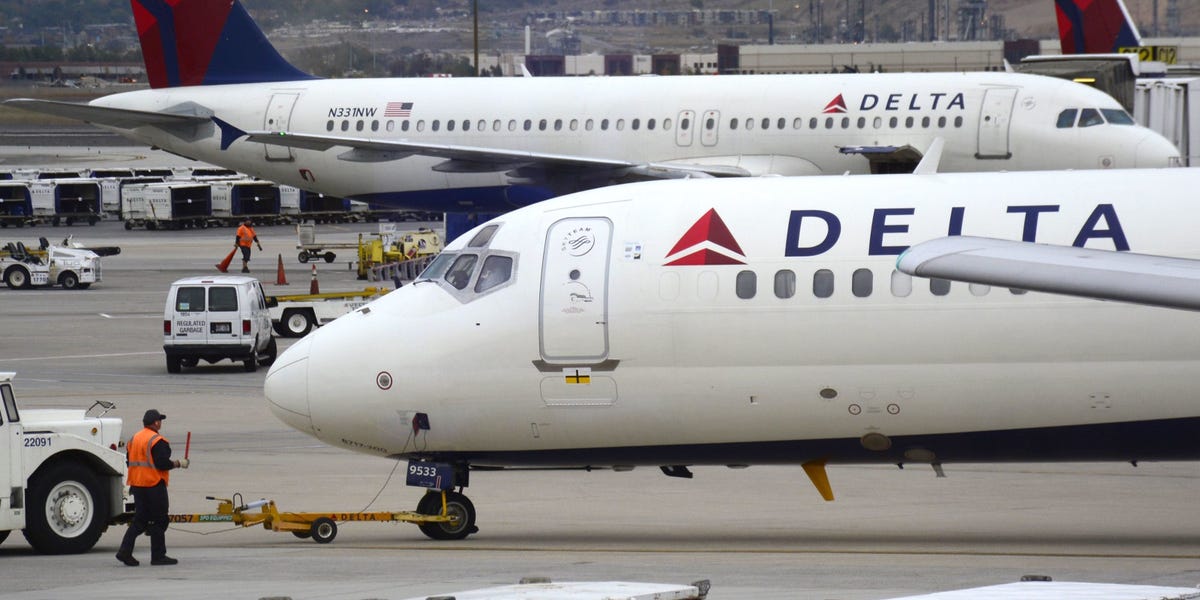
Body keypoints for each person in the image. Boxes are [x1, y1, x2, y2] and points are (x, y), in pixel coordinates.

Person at [116, 409, 189, 567]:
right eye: (160, 420)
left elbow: (130, 462)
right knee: (160, 519)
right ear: (156, 422)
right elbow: (162, 464)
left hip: (137, 485)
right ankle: (158, 556)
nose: (160, 423)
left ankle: (125, 551)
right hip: (154, 485)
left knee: (140, 520)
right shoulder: (157, 440)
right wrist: (178, 463)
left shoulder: (134, 439)